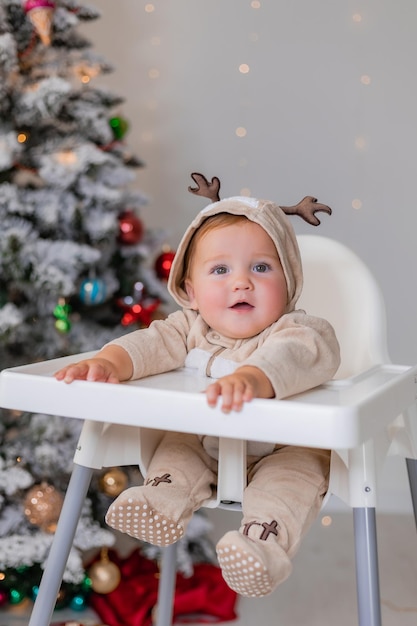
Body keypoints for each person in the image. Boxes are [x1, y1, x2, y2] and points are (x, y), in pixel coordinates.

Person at [55, 174, 340, 598]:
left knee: (291, 485)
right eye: (220, 269)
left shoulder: (298, 329)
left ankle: (261, 550)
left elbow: (301, 353)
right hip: (204, 444)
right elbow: (147, 343)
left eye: (261, 267)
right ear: (190, 290)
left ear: (290, 282)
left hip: (284, 450)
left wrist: (253, 377)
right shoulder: (189, 328)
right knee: (176, 450)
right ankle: (160, 504)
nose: (241, 282)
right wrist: (108, 361)